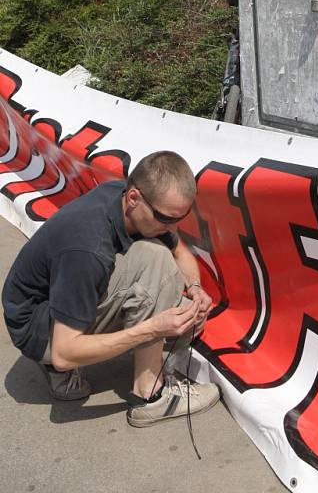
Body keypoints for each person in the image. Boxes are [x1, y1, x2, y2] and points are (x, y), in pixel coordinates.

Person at [2, 151, 219, 427]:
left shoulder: (122, 197)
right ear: (134, 199)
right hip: (41, 335)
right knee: (155, 259)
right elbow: (64, 352)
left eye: (182, 216)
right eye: (166, 218)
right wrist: (154, 327)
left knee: (160, 251)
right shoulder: (88, 248)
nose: (173, 226)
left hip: (38, 309)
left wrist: (196, 287)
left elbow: (179, 250)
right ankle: (150, 396)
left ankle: (58, 373)